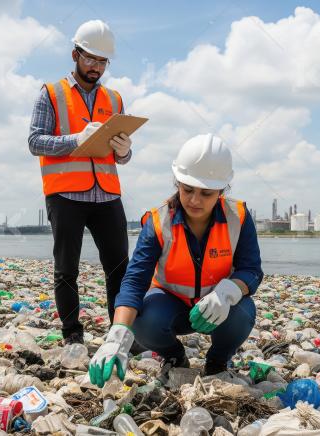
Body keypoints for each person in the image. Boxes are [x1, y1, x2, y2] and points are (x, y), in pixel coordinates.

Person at [89, 134, 264, 387]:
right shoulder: (159, 222)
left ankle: (217, 361)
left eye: (206, 193)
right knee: (143, 321)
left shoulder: (238, 216)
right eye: (187, 190)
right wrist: (116, 336)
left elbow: (252, 270)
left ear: (221, 190)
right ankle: (174, 356)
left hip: (218, 309)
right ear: (177, 183)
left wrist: (228, 291)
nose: (194, 200)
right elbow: (134, 282)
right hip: (169, 307)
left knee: (244, 312)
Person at [28, 20, 133, 345]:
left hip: (106, 195)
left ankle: (121, 332)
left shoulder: (114, 100)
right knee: (66, 269)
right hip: (65, 195)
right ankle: (73, 334)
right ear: (75, 54)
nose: (96, 67)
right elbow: (35, 142)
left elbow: (121, 157)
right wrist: (74, 139)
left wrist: (126, 151)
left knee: (120, 268)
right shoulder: (51, 93)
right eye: (90, 59)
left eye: (102, 62)